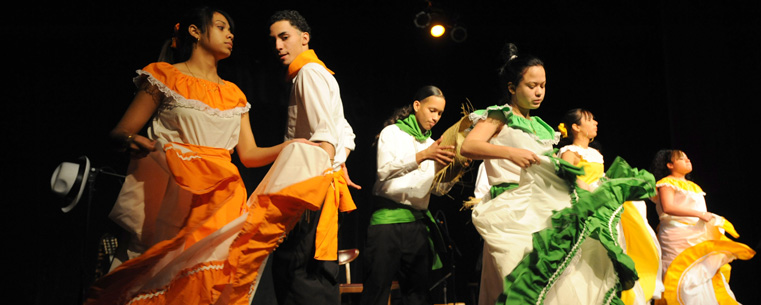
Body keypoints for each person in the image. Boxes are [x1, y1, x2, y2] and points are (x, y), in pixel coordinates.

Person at [86, 7, 334, 305]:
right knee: (158, 274)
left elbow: (250, 154)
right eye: (220, 27)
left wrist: (298, 146)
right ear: (195, 32)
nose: (230, 35)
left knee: (207, 282)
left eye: (231, 30)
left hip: (221, 199)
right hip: (173, 192)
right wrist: (133, 140)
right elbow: (120, 132)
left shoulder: (233, 94)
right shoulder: (164, 76)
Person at [460, 43, 655, 305]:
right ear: (511, 87)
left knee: (564, 273)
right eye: (531, 85)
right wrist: (510, 153)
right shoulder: (499, 116)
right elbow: (469, 146)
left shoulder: (541, 126)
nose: (539, 91)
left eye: (542, 85)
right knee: (520, 275)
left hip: (539, 204)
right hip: (510, 207)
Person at [267, 10, 358, 305]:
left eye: (285, 37)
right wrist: (339, 163)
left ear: (304, 38)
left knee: (297, 272)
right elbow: (345, 131)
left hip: (309, 187)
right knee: (313, 270)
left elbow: (327, 134)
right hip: (319, 184)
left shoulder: (308, 72)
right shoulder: (319, 73)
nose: (279, 46)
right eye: (274, 40)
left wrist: (318, 180)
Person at [359, 86, 455, 305]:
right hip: (387, 223)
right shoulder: (392, 133)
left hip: (417, 225)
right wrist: (422, 156)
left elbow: (439, 189)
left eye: (440, 113)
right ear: (417, 105)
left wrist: (454, 172)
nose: (435, 117)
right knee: (376, 291)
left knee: (418, 295)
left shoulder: (433, 145)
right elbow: (384, 171)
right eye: (432, 110)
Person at [557, 109, 664, 304]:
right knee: (589, 254)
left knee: (614, 249)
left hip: (606, 205)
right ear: (576, 127)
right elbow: (568, 174)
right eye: (590, 120)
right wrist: (589, 190)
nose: (596, 123)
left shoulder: (595, 153)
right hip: (587, 204)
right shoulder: (569, 151)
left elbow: (600, 177)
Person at [649, 149, 755, 304]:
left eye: (687, 158)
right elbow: (668, 207)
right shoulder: (666, 183)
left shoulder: (693, 186)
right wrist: (699, 214)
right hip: (677, 234)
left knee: (702, 273)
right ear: (670, 165)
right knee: (682, 273)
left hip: (696, 233)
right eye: (682, 158)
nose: (687, 160)